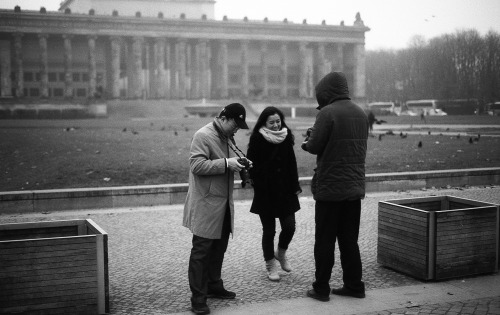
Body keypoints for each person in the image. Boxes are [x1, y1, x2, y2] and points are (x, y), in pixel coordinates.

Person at [301, 72, 369, 302]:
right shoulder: (360, 112)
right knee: (349, 240)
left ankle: (321, 289)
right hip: (354, 187)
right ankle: (354, 285)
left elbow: (314, 145)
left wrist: (306, 141)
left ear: (325, 92)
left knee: (325, 241)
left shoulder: (328, 112)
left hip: (330, 188)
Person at [183, 103, 252, 315]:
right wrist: (226, 163)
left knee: (219, 247)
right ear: (223, 118)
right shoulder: (203, 135)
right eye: (235, 123)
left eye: (240, 126)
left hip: (223, 204)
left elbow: (228, 162)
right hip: (206, 204)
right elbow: (196, 166)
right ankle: (198, 297)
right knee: (201, 251)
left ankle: (213, 284)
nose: (237, 129)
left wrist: (240, 164)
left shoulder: (225, 136)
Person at [246, 106, 302, 282]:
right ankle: (270, 265)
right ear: (264, 123)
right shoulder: (257, 138)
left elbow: (292, 163)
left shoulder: (286, 136)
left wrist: (295, 186)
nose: (276, 125)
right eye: (272, 122)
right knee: (269, 231)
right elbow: (251, 165)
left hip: (285, 190)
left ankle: (281, 252)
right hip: (266, 191)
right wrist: (263, 178)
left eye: (278, 121)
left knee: (290, 226)